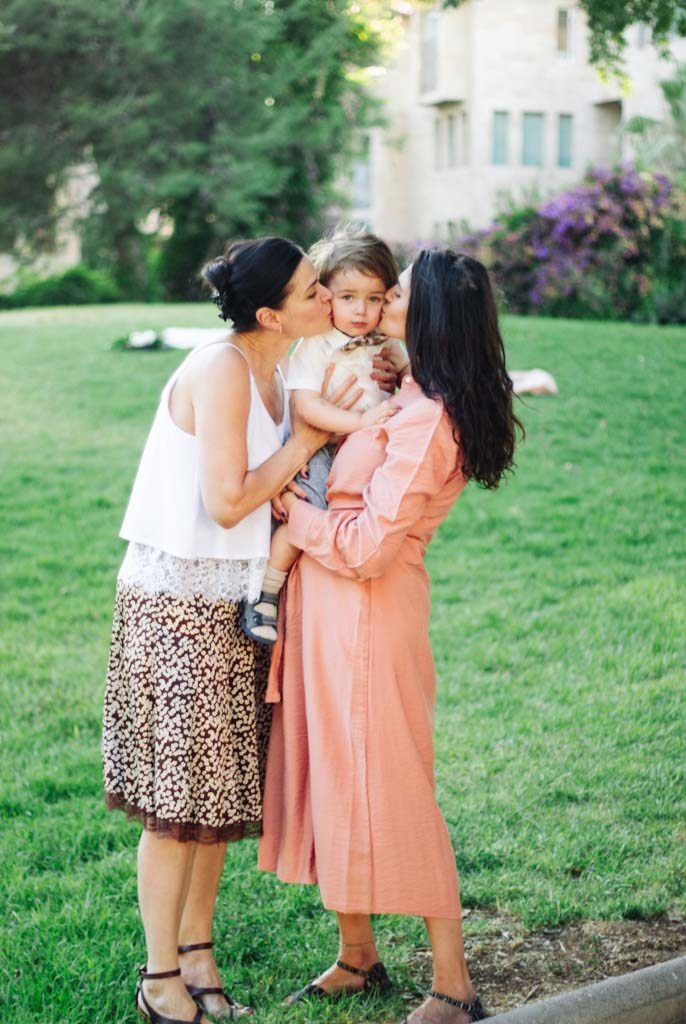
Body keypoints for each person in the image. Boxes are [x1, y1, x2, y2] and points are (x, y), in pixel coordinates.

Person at [102, 236, 367, 1024]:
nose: (328, 300)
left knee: (213, 800)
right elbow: (226, 501)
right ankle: (158, 979)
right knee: (177, 806)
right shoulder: (220, 370)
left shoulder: (278, 368)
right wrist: (309, 443)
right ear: (268, 312)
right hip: (178, 605)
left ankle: (198, 956)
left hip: (235, 602)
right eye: (314, 291)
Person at [258, 249, 524, 1024]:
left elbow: (372, 545)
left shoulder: (432, 418)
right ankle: (358, 955)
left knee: (395, 782)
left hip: (371, 612)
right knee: (336, 773)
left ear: (431, 309)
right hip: (328, 606)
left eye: (398, 290)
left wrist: (296, 518)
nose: (383, 298)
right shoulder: (406, 387)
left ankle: (454, 986)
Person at [240, 226, 408, 645]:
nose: (361, 311)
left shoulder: (385, 340)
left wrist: (403, 372)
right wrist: (358, 424)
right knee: (306, 515)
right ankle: (266, 592)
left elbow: (408, 375)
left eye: (374, 299)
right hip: (320, 448)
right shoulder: (316, 346)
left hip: (366, 451)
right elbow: (307, 407)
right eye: (348, 298)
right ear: (328, 296)